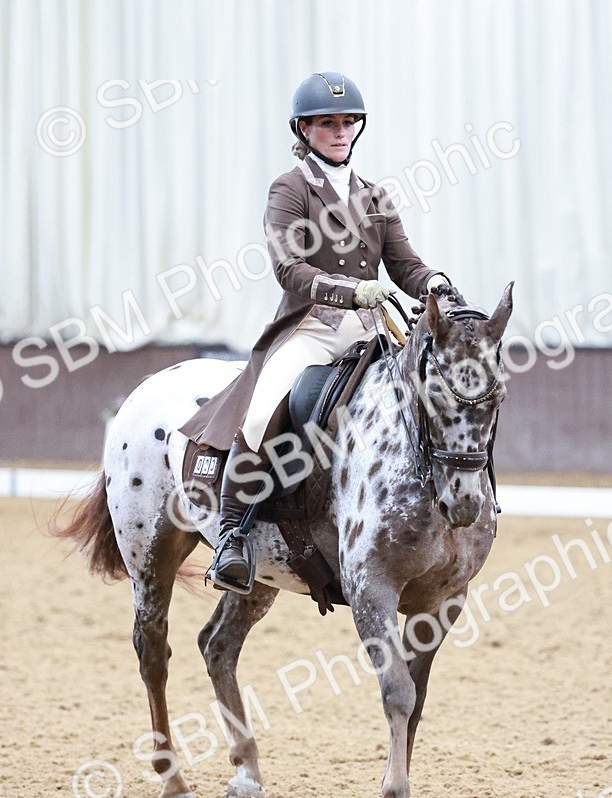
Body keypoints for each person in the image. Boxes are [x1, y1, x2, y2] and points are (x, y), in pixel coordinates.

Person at [191, 71, 449, 593]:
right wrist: (350, 290)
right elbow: (289, 269)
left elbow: (405, 266)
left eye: (348, 122)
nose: (340, 131)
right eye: (327, 123)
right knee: (263, 409)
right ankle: (229, 537)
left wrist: (437, 286)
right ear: (304, 129)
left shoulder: (375, 195)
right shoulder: (288, 190)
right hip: (311, 326)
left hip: (372, 330)